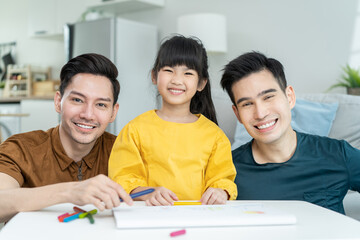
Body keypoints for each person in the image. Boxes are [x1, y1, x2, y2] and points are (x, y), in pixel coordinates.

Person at [220, 51, 360, 214]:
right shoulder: (226, 171)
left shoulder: (338, 155)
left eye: (268, 97)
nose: (260, 113)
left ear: (290, 97)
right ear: (237, 114)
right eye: (247, 104)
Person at [0, 53, 132, 223]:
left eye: (101, 105)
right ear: (58, 101)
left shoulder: (125, 151)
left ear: (113, 112)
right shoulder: (20, 149)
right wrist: (70, 192)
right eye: (77, 100)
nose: (88, 114)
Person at [109, 35, 237, 206]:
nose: (177, 80)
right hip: (149, 218)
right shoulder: (135, 130)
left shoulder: (214, 135)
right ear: (154, 76)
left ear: (201, 83)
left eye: (188, 73)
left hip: (198, 221)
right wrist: (149, 194)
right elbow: (123, 178)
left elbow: (223, 179)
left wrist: (220, 191)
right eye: (169, 70)